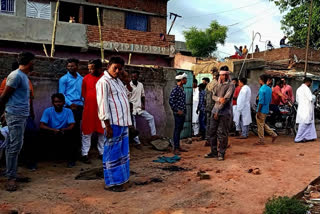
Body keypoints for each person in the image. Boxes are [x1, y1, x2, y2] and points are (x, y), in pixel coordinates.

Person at [96, 56, 132, 192]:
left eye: (120, 69)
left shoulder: (118, 82)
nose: (117, 71)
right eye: (115, 68)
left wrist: (127, 81)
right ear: (108, 67)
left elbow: (128, 95)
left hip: (123, 123)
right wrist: (107, 125)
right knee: (112, 153)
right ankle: (111, 183)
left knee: (122, 153)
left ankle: (121, 179)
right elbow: (102, 104)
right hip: (113, 123)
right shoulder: (103, 82)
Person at [0, 52, 34, 191]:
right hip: (15, 115)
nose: (34, 64)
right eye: (33, 62)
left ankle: (11, 172)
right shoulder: (15, 76)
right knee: (14, 146)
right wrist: (4, 113)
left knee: (15, 145)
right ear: (30, 62)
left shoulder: (23, 76)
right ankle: (11, 178)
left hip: (20, 115)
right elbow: (4, 97)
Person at [205, 66, 235, 161]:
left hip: (224, 113)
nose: (221, 77)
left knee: (223, 133)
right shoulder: (217, 85)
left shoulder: (231, 85)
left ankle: (221, 153)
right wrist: (219, 99)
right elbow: (213, 96)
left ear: (226, 75)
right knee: (212, 132)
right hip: (215, 111)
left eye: (222, 75)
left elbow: (226, 99)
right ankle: (213, 152)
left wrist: (218, 110)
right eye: (220, 75)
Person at [39, 93, 76, 167]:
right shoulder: (48, 111)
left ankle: (71, 160)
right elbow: (42, 125)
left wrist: (64, 130)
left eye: (60, 102)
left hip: (63, 132)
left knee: (73, 133)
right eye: (56, 102)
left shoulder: (68, 111)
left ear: (63, 102)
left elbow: (72, 125)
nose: (58, 104)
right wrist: (53, 130)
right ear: (53, 103)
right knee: (40, 133)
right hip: (51, 132)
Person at [80, 59, 104, 164]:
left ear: (99, 68)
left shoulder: (105, 78)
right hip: (89, 109)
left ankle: (102, 153)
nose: (90, 71)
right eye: (89, 68)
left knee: (102, 132)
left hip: (102, 109)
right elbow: (84, 94)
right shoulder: (86, 78)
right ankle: (84, 154)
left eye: (92, 69)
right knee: (86, 131)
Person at [59, 58, 83, 155]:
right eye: (69, 66)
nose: (70, 68)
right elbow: (61, 94)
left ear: (77, 66)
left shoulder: (81, 79)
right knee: (70, 129)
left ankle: (77, 151)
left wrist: (83, 103)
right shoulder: (64, 79)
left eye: (72, 66)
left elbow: (83, 93)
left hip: (80, 106)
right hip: (70, 107)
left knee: (78, 129)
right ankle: (69, 152)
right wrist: (70, 104)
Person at [129, 70, 157, 145]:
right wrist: (130, 108)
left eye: (135, 76)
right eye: (132, 77)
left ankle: (153, 135)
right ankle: (137, 142)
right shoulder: (128, 85)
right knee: (134, 126)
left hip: (139, 108)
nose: (133, 78)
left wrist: (143, 104)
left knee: (151, 117)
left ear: (138, 77)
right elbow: (126, 98)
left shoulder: (140, 85)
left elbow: (143, 95)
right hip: (132, 109)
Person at [169, 72, 188, 155]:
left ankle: (178, 146)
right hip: (178, 113)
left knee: (179, 129)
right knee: (177, 130)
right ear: (181, 79)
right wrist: (177, 110)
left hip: (183, 112)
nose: (186, 80)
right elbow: (171, 101)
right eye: (185, 79)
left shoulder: (182, 88)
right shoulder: (175, 89)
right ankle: (175, 148)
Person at [256, 75, 277, 145]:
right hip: (266, 108)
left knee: (260, 125)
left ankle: (261, 139)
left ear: (262, 80)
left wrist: (258, 111)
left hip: (261, 109)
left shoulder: (262, 89)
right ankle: (273, 134)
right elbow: (270, 99)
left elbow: (261, 101)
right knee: (262, 123)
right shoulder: (269, 89)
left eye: (259, 79)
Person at [295, 78, 317, 143]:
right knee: (304, 124)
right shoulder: (306, 89)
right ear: (308, 82)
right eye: (310, 83)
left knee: (307, 123)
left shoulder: (298, 89)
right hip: (306, 108)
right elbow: (311, 98)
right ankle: (298, 138)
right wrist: (314, 97)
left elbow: (297, 100)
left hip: (301, 108)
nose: (310, 85)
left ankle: (309, 137)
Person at [204, 68, 219, 146]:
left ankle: (207, 140)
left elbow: (205, 97)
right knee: (215, 125)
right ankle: (215, 141)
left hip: (208, 107)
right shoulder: (217, 84)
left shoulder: (209, 84)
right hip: (214, 107)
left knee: (208, 124)